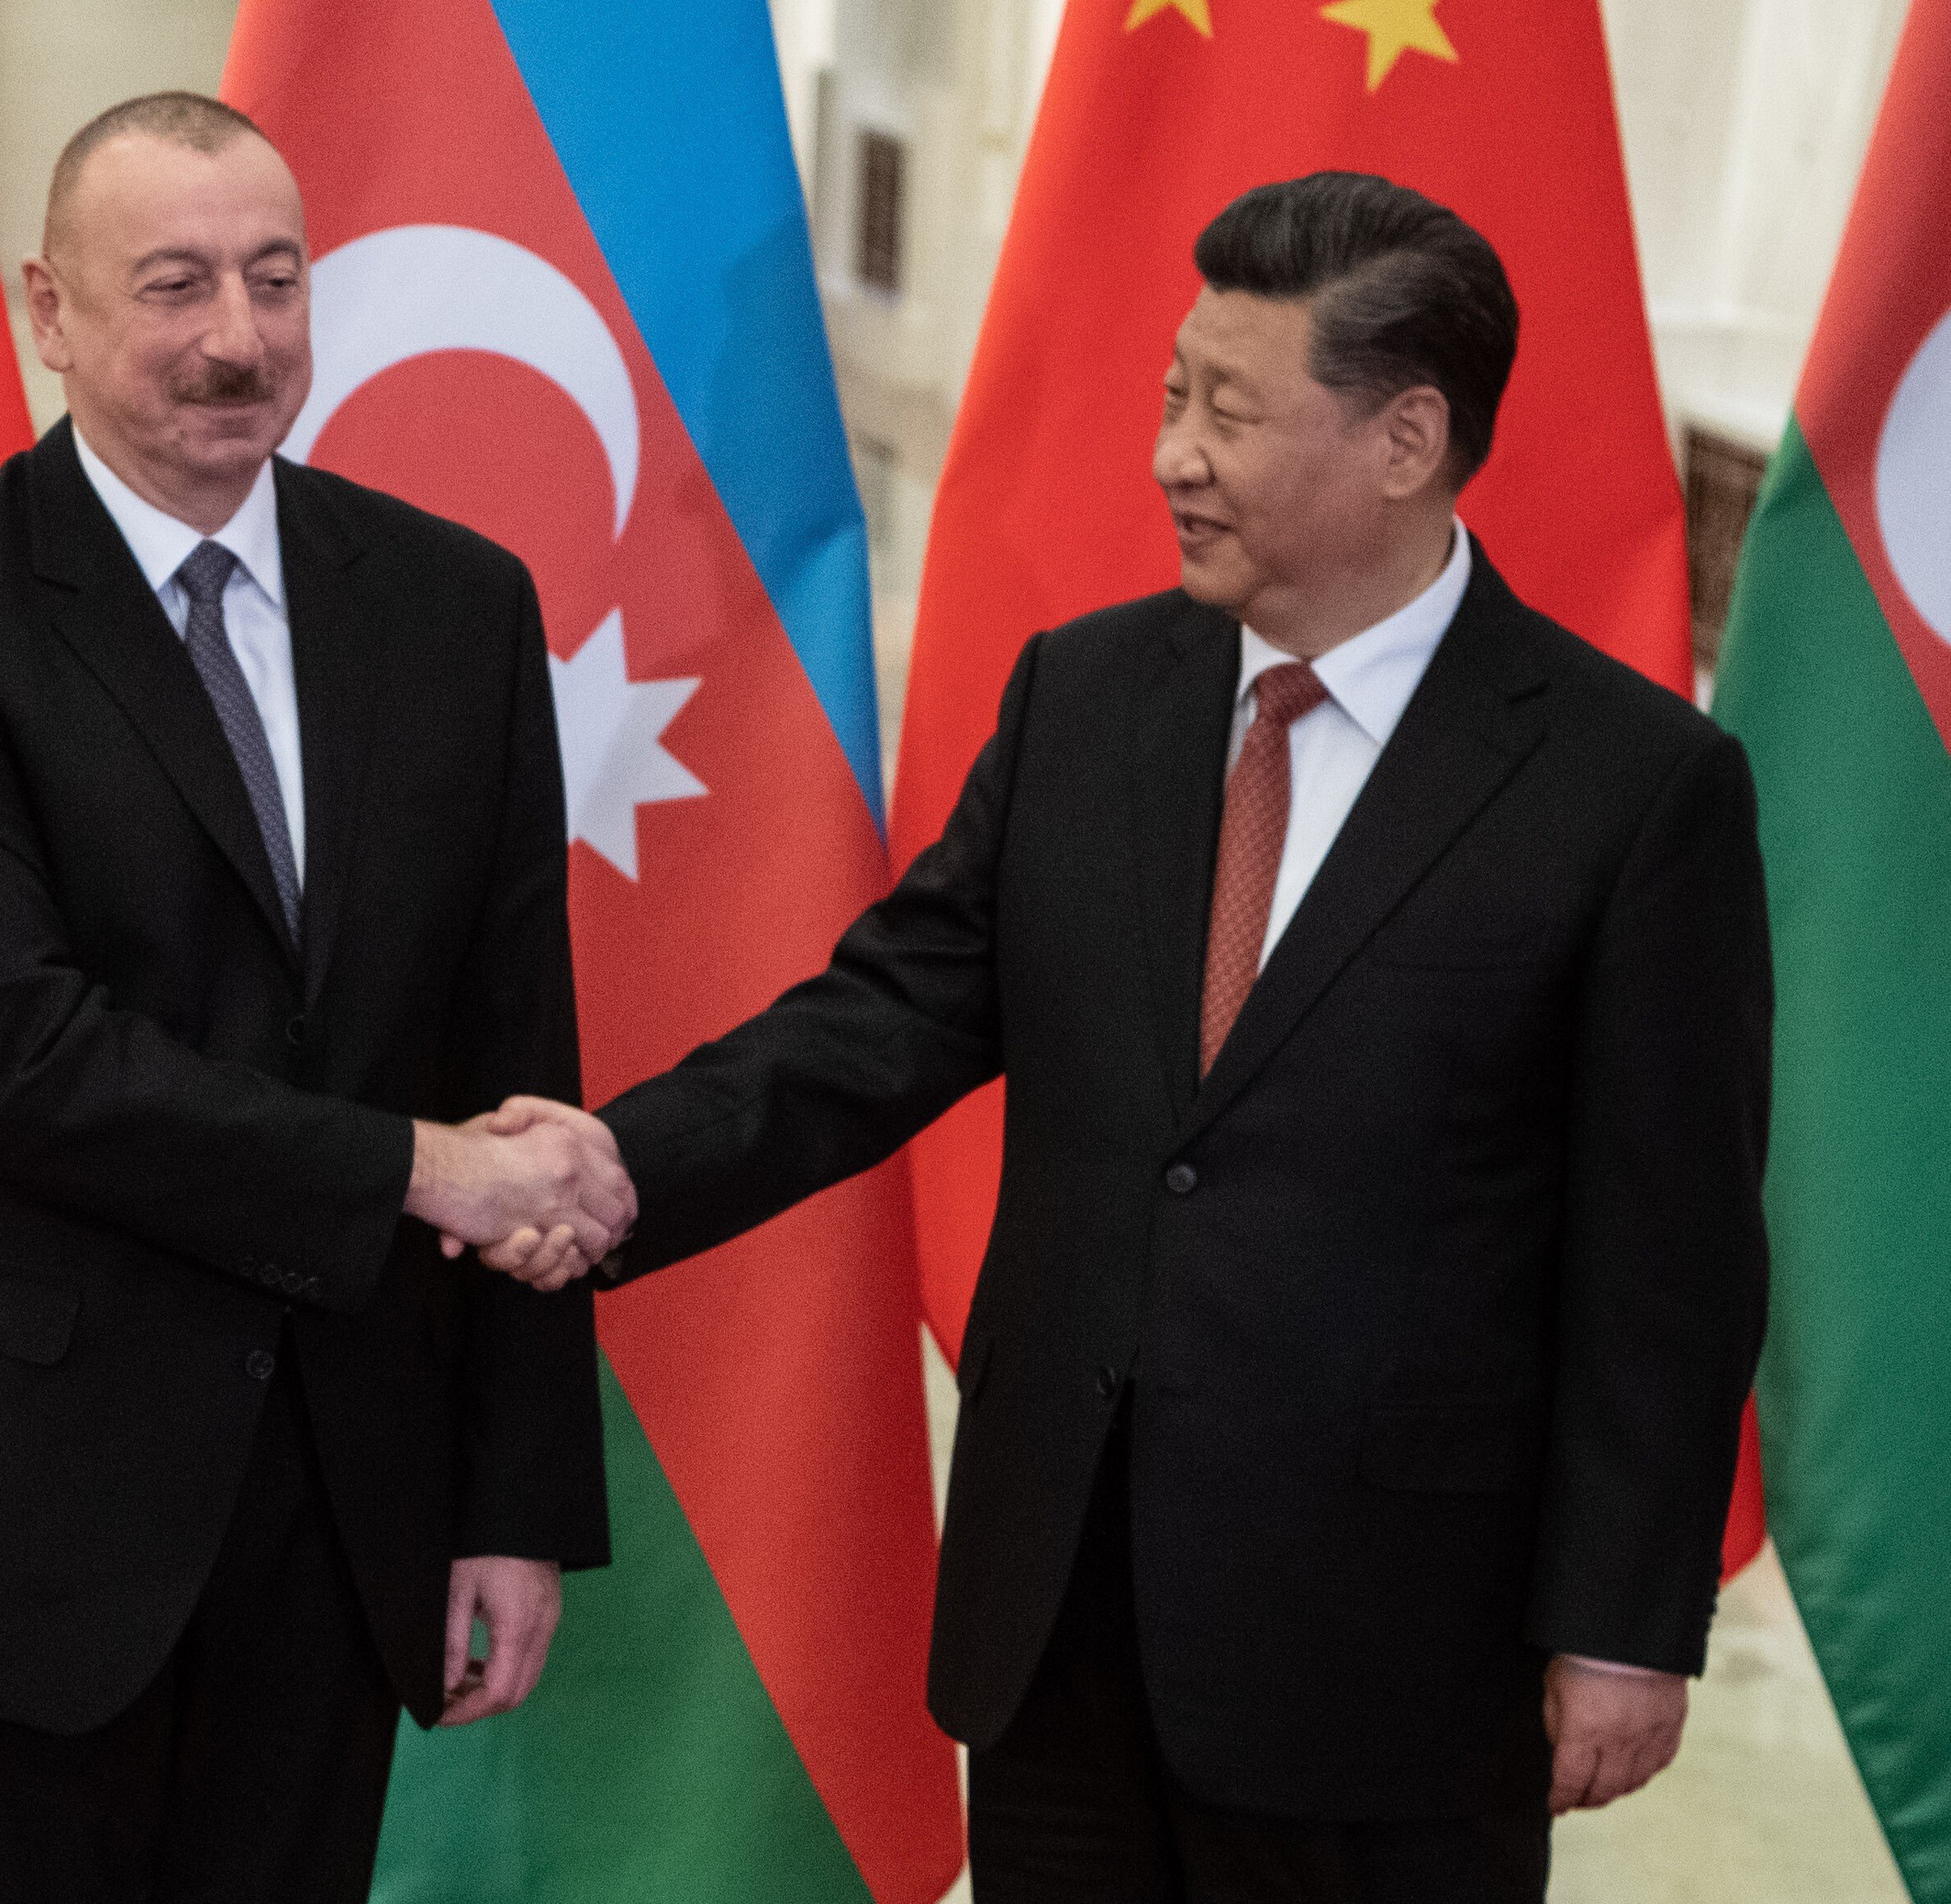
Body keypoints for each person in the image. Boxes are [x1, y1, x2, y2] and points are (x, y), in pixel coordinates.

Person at [482, 172, 1771, 1901]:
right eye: (1174, 392)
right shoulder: (1086, 697)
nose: (1171, 451)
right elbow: (887, 1018)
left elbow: (1666, 1256)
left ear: (1403, 441)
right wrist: (617, 1161)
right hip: (1060, 1615)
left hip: (1389, 1665)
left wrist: (1623, 1621)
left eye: (1228, 411)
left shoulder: (1629, 789)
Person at [0, 91, 629, 1904]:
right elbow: (10, 1063)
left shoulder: (452, 605)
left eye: (273, 277)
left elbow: (516, 1060)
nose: (236, 340)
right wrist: (412, 1170)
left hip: (344, 1508)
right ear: (51, 309)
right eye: (172, 285)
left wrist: (513, 1506)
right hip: (23, 1521)